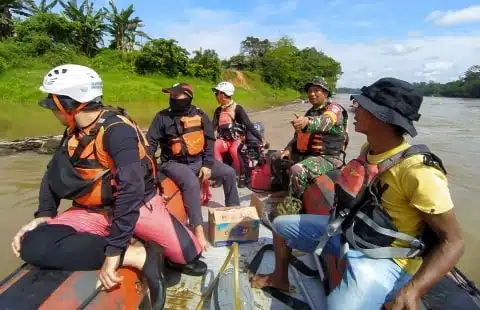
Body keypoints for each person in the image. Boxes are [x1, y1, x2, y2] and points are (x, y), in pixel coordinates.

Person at [250, 77, 465, 310]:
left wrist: (413, 291)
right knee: (281, 225)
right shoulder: (369, 150)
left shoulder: (419, 172)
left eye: (360, 106)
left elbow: (454, 241)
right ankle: (280, 278)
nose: (354, 110)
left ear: (380, 117)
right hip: (349, 230)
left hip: (385, 258)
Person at [10, 64, 204, 310]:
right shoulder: (74, 131)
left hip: (137, 206)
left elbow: (131, 192)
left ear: (68, 104)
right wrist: (44, 214)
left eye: (54, 101)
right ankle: (136, 255)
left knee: (191, 260)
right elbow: (52, 174)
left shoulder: (117, 131)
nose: (51, 108)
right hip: (91, 210)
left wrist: (112, 254)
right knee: (31, 243)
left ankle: (139, 248)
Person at [146, 82, 241, 250]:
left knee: (228, 172)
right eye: (171, 96)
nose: (172, 98)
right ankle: (198, 229)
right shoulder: (161, 117)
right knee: (190, 182)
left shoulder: (200, 114)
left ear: (188, 97)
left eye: (176, 96)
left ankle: (232, 213)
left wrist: (207, 164)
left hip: (198, 161)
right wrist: (147, 167)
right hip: (172, 163)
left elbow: (210, 141)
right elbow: (151, 145)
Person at [270, 76, 348, 213]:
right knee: (276, 157)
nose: (312, 94)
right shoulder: (310, 112)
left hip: (329, 157)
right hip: (308, 154)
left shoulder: (335, 109)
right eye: (309, 91)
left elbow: (326, 122)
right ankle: (283, 190)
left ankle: (294, 206)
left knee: (297, 170)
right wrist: (288, 150)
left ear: (326, 93)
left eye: (316, 90)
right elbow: (297, 137)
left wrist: (307, 122)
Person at [211, 81, 265, 188]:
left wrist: (261, 138)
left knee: (234, 150)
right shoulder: (218, 110)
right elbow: (213, 126)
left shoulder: (237, 109)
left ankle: (242, 176)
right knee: (215, 146)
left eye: (217, 93)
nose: (216, 96)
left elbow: (248, 125)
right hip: (224, 140)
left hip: (237, 139)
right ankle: (221, 174)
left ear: (223, 94)